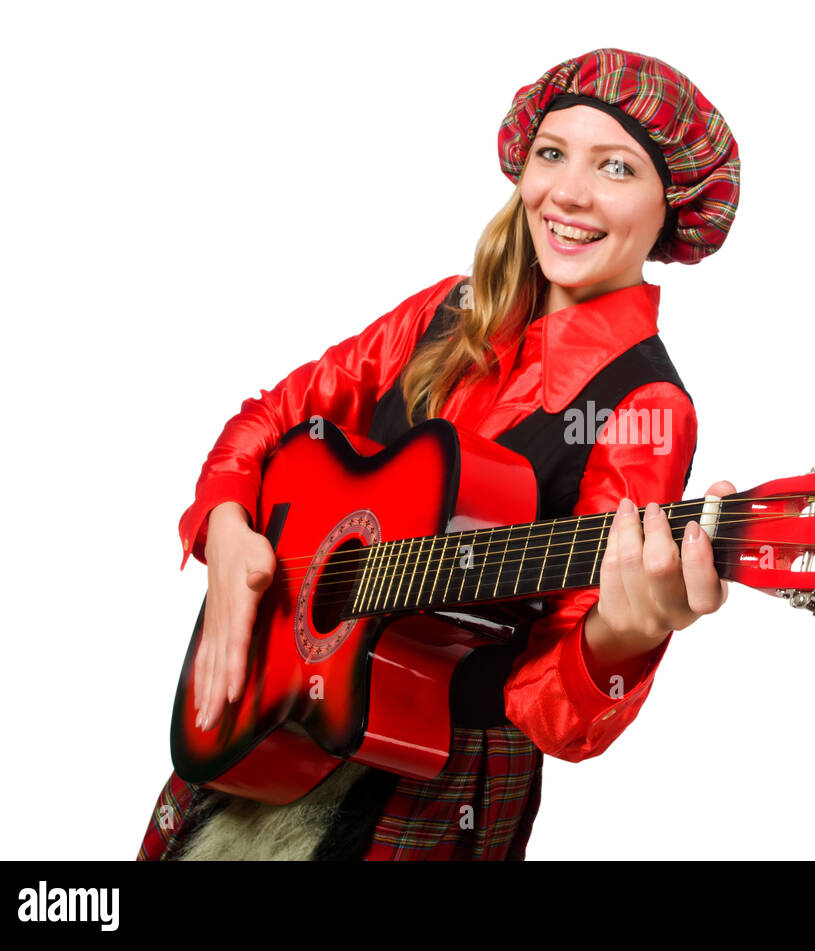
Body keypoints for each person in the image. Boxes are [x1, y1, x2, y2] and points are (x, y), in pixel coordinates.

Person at [136, 47, 742, 861]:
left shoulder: (646, 408)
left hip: (425, 790)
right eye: (552, 154)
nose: (567, 191)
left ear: (672, 206)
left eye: (616, 167)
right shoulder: (444, 312)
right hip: (265, 712)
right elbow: (272, 417)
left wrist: (621, 639)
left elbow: (551, 708)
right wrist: (227, 532)